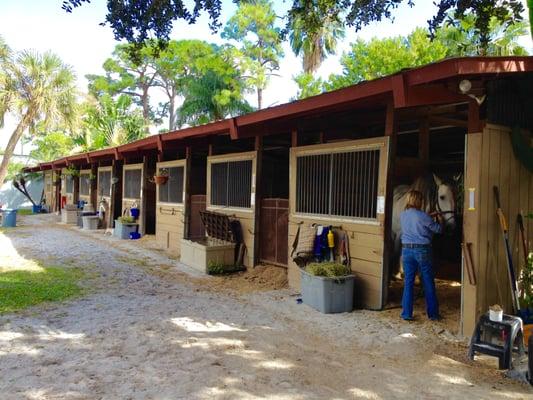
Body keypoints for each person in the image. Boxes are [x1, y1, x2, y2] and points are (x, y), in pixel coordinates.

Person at [400, 190, 443, 321]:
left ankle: (407, 313)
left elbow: (415, 222)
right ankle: (433, 314)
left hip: (406, 250)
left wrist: (428, 216)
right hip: (422, 250)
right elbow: (438, 229)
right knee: (428, 281)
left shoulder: (403, 215)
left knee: (408, 282)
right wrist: (439, 219)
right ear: (418, 201)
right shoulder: (424, 216)